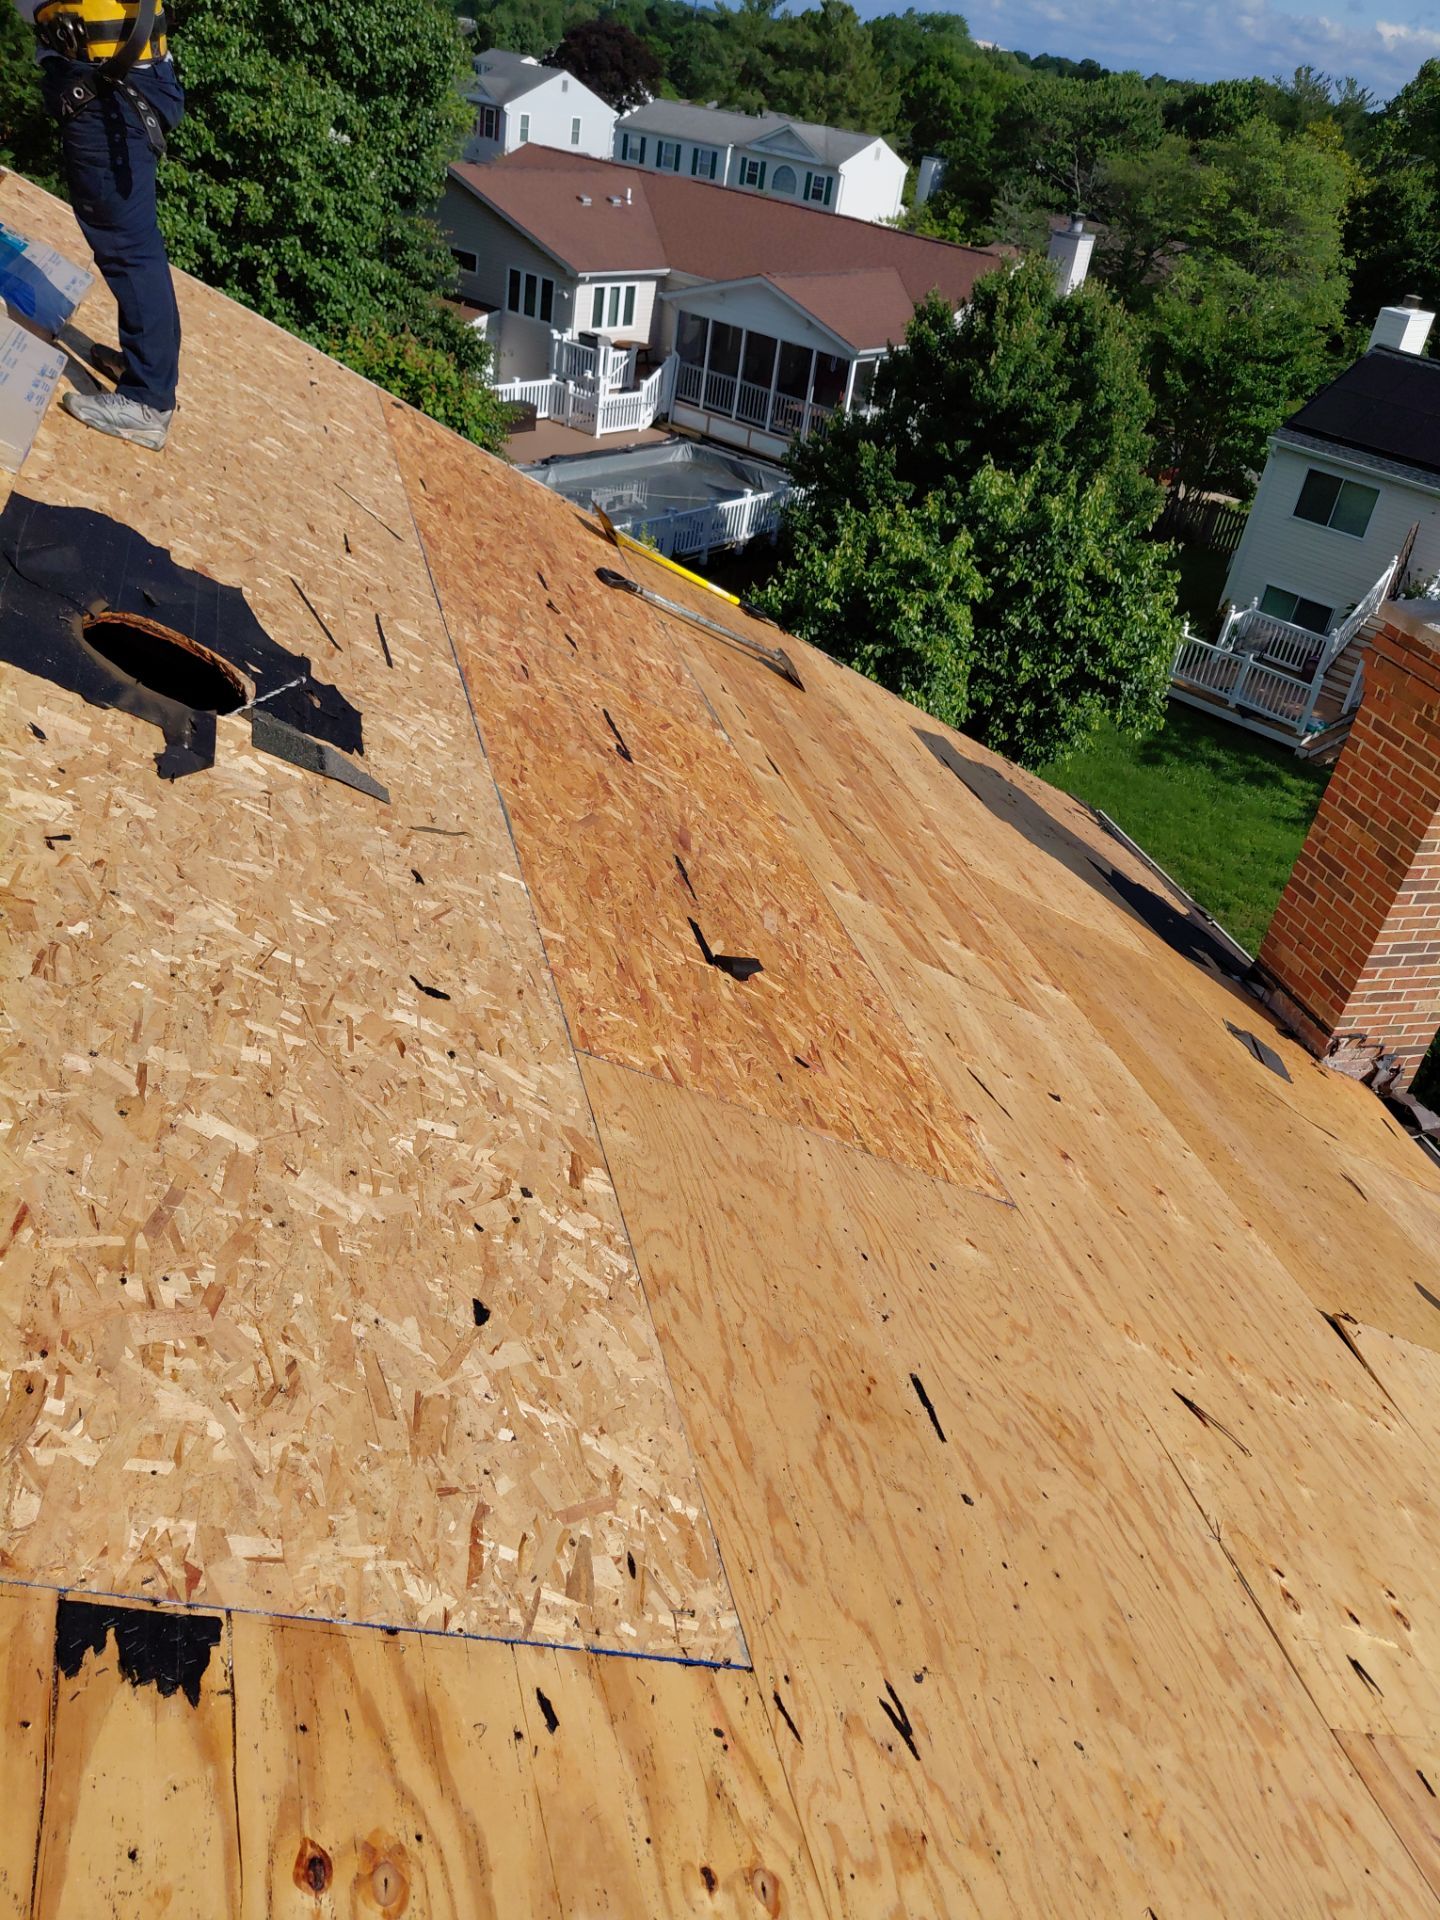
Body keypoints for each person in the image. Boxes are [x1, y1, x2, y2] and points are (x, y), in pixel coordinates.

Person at [13, 1, 184, 451]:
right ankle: (148, 369)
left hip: (111, 88)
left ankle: (148, 400)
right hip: (122, 79)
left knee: (128, 245)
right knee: (136, 241)